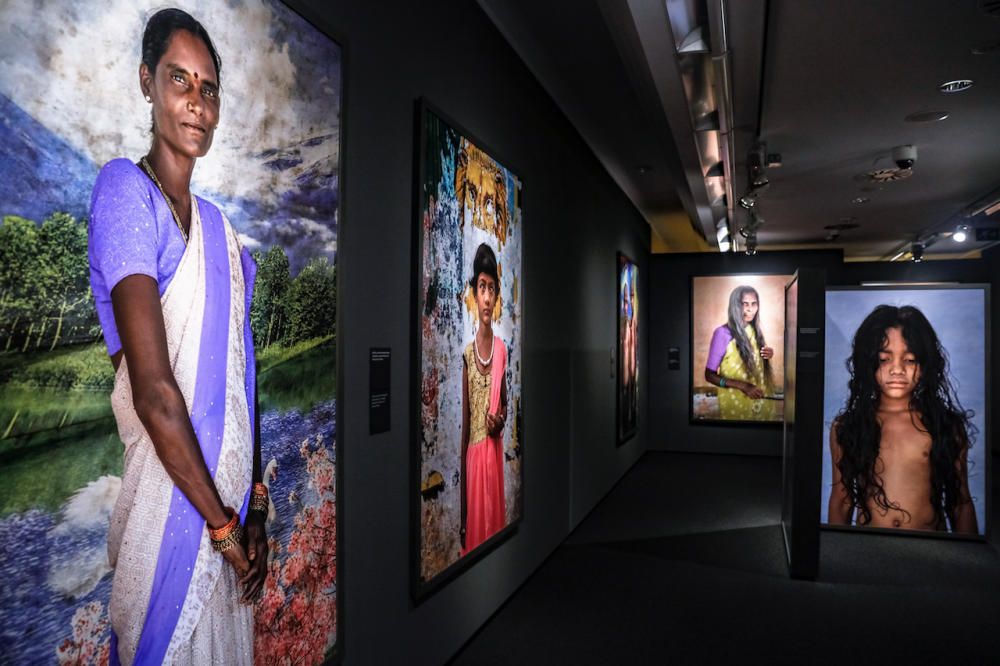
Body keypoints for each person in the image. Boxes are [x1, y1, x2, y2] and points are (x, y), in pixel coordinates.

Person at [88, 9, 267, 663]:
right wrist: (223, 529)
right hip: (176, 520)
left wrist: (257, 514)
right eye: (179, 81)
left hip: (231, 525)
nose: (197, 103)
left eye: (208, 87)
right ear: (146, 82)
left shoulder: (223, 232)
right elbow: (157, 394)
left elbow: (247, 385)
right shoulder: (124, 194)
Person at [828, 305, 977, 533]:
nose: (897, 369)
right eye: (884, 359)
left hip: (931, 550)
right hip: (869, 549)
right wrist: (835, 557)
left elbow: (960, 503)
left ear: (925, 365)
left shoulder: (943, 426)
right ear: (868, 363)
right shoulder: (849, 427)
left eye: (910, 360)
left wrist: (968, 563)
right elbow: (841, 499)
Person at [460, 243, 508, 554]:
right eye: (482, 287)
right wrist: (462, 510)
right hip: (475, 461)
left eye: (491, 288)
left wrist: (499, 421)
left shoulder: (502, 350)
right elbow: (465, 431)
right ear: (474, 295)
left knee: (496, 541)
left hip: (495, 457)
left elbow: (504, 407)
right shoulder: (466, 354)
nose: (487, 298)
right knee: (476, 539)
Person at [704, 285, 776, 420]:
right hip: (735, 405)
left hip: (760, 401)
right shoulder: (722, 334)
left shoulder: (754, 330)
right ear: (735, 306)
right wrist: (743, 386)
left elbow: (755, 361)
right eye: (745, 304)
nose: (750, 309)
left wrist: (767, 354)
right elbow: (709, 376)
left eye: (754, 304)